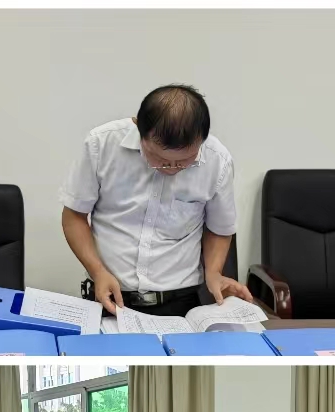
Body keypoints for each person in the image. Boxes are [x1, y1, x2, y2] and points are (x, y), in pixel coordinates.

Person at [59, 84, 252, 317]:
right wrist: (97, 271)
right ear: (139, 128)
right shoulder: (101, 144)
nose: (171, 168)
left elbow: (219, 229)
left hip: (180, 301)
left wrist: (214, 272)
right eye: (159, 159)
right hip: (108, 294)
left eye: (185, 160)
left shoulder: (217, 160)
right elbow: (74, 216)